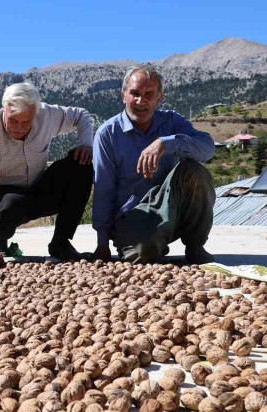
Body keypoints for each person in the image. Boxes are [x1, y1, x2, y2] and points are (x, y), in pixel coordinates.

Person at [92, 64, 216, 265]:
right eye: (135, 93)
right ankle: (151, 243)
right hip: (135, 216)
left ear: (160, 98)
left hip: (174, 211)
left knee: (194, 171)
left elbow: (208, 149)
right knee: (143, 255)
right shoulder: (108, 134)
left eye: (149, 94)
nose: (141, 101)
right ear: (123, 95)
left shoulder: (172, 122)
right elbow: (103, 189)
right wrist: (102, 244)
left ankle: (195, 245)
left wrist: (166, 143)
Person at [0, 82, 94, 263]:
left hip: (36, 190)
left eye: (26, 122)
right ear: (4, 109)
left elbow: (82, 115)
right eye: (14, 120)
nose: (19, 128)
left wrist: (86, 143)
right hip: (1, 201)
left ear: (36, 113)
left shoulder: (46, 115)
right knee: (10, 205)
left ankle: (60, 243)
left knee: (81, 166)